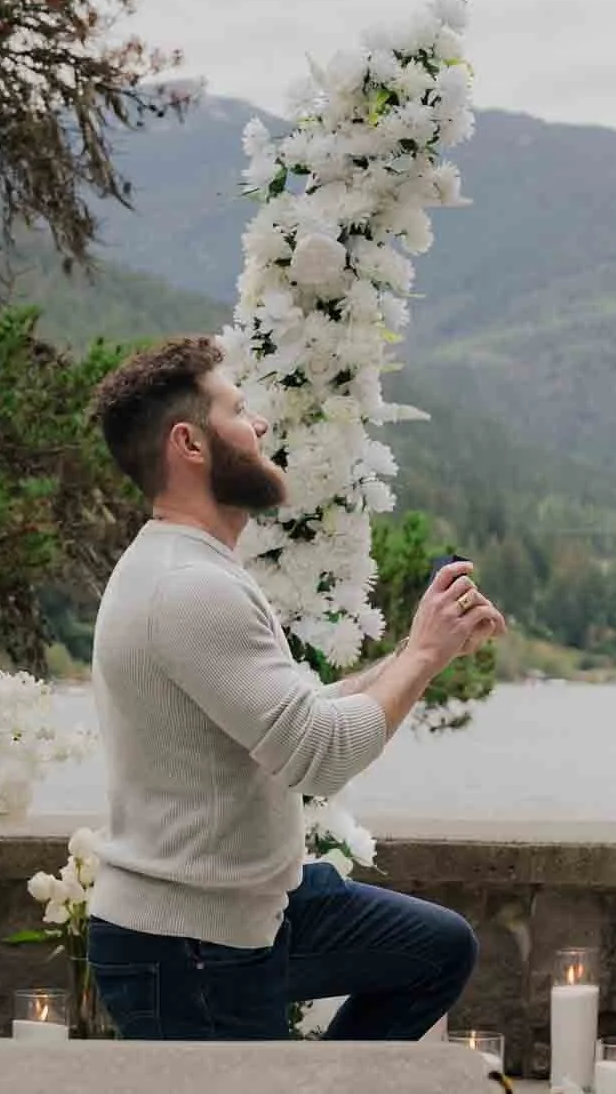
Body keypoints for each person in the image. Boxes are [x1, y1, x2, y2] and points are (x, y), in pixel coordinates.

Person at [83, 335, 507, 1041]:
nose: (261, 426)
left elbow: (297, 713)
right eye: (239, 410)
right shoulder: (188, 587)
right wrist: (424, 655)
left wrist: (421, 648)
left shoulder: (192, 568)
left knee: (436, 949)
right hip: (189, 947)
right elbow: (318, 754)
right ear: (190, 443)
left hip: (244, 912)